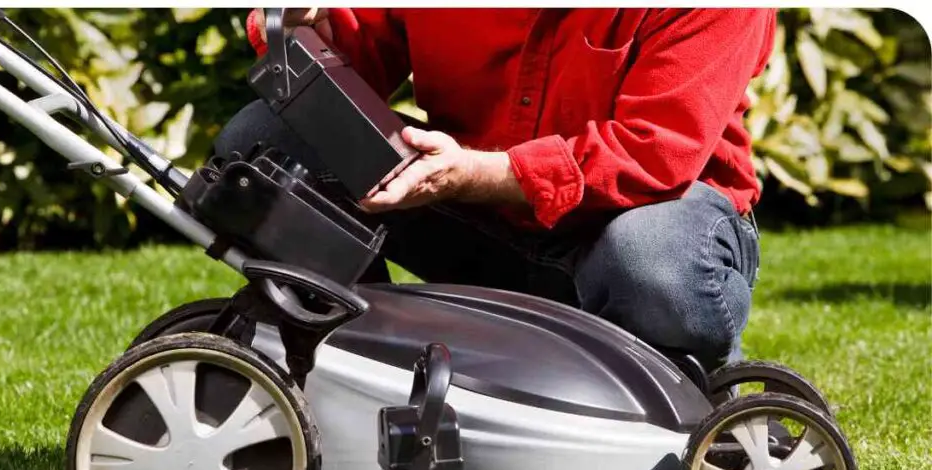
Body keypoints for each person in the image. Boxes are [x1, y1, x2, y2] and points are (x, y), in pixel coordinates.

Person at [218, 8, 777, 372]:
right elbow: (356, 56)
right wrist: (299, 25)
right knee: (265, 146)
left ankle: (698, 376)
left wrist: (473, 174)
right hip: (478, 216)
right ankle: (351, 361)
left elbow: (655, 153)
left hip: (649, 216)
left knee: (646, 257)